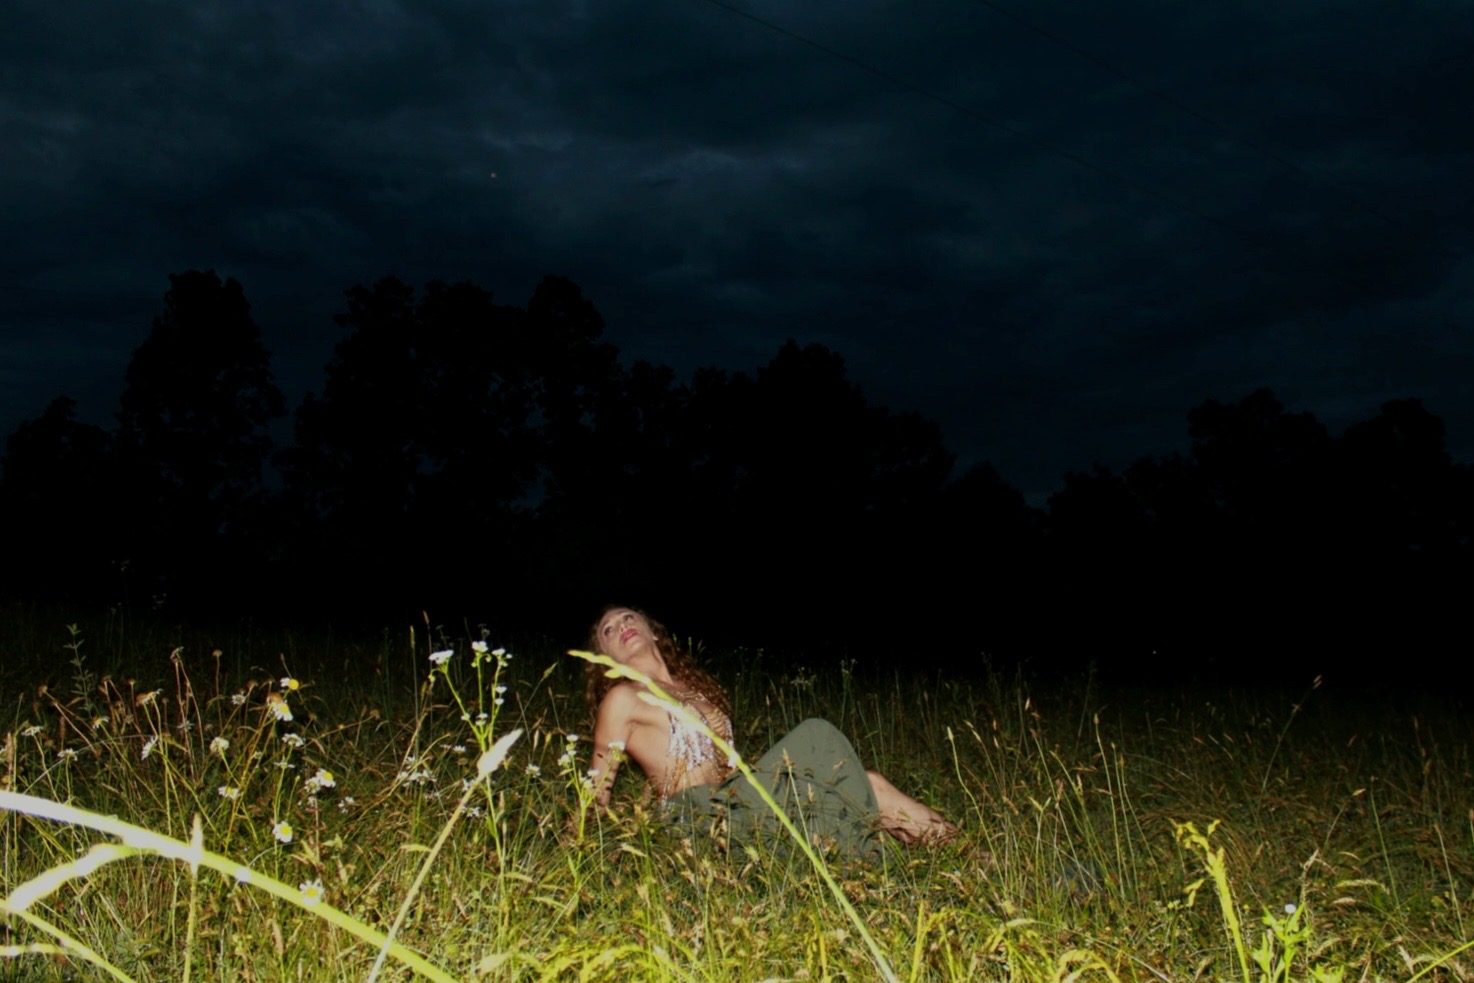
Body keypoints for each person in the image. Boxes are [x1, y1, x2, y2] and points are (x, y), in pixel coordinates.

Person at [583, 606, 958, 857]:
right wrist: (585, 852)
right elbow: (595, 792)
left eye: (629, 617)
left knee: (869, 783)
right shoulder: (622, 699)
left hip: (738, 803)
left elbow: (727, 767)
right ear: (605, 657)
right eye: (608, 630)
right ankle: (870, 854)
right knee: (816, 735)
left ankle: (963, 852)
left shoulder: (695, 691)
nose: (622, 626)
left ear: (653, 631)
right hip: (698, 820)